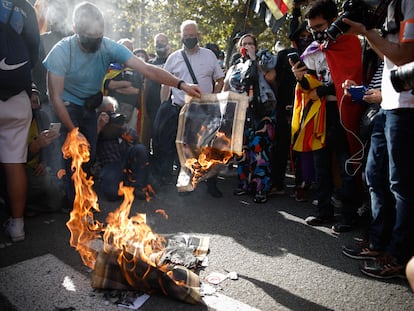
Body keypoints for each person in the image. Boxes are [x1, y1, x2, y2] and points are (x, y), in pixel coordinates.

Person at [42, 2, 201, 208]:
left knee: (86, 156)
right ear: (76, 29)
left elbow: (148, 69)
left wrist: (181, 84)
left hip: (90, 106)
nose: (95, 41)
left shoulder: (108, 46)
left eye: (98, 35)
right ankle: (70, 203)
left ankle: (81, 199)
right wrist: (73, 131)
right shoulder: (61, 51)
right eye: (89, 36)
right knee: (68, 156)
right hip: (65, 105)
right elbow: (55, 97)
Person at [340, 0, 414, 280]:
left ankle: (398, 256)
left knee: (402, 186)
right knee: (375, 176)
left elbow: (406, 55)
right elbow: (388, 56)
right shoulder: (394, 6)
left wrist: (368, 33)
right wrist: (367, 32)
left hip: (406, 107)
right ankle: (378, 241)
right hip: (389, 106)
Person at [290, 0, 364, 230]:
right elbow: (308, 86)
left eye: (320, 27)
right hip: (318, 113)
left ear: (334, 21)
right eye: (312, 29)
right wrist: (300, 77)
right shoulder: (312, 50)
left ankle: (349, 216)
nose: (316, 33)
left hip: (341, 112)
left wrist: (323, 89)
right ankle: (324, 210)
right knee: (320, 163)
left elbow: (353, 82)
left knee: (345, 163)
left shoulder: (351, 43)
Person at [157, 20, 224, 197]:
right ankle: (186, 182)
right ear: (181, 36)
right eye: (186, 36)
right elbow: (165, 83)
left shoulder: (209, 55)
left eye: (192, 36)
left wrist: (213, 99)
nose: (189, 38)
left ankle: (211, 183)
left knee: (208, 147)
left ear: (198, 36)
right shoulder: (173, 58)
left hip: (205, 109)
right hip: (181, 110)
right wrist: (164, 104)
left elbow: (220, 80)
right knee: (185, 148)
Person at [0, 0, 40, 242]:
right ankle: (18, 227)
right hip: (18, 95)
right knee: (14, 163)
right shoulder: (25, 8)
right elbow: (34, 55)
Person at [223, 33, 276, 204]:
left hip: (261, 113)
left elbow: (271, 78)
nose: (247, 46)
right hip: (239, 113)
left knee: (259, 150)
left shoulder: (264, 61)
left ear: (255, 45)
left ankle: (261, 188)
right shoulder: (235, 66)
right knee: (242, 150)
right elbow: (226, 86)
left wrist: (255, 60)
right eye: (243, 44)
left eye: (250, 43)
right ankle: (244, 184)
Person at [95, 96, 149, 201]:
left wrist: (121, 128)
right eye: (108, 113)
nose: (111, 116)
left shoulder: (119, 124)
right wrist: (100, 126)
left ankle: (139, 186)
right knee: (112, 194)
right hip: (110, 164)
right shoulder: (96, 125)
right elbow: (89, 147)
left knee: (140, 149)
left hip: (126, 158)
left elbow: (135, 137)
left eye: (113, 112)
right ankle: (121, 183)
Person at [102, 38, 142, 131]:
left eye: (130, 49)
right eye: (125, 47)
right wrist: (126, 84)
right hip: (110, 108)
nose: (127, 51)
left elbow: (136, 90)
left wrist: (116, 87)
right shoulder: (110, 67)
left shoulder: (137, 69)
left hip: (131, 109)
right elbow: (108, 84)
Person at [142, 33, 172, 152]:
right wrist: (144, 107)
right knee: (154, 139)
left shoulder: (174, 61)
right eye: (157, 42)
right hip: (153, 108)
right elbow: (145, 86)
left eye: (162, 41)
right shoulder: (150, 64)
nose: (160, 44)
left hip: (170, 107)